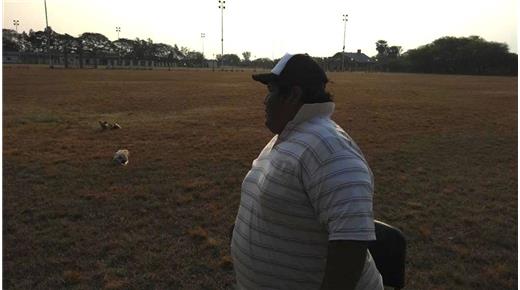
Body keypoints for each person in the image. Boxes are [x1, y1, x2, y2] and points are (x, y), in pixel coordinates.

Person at [230, 53, 383, 290]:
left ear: (293, 95)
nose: (265, 100)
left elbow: (350, 246)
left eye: (270, 90)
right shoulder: (293, 135)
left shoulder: (330, 149)